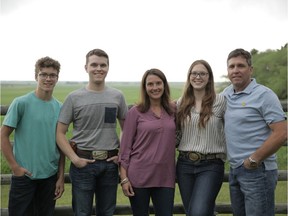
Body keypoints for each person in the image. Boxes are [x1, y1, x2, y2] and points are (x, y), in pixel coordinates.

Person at [56, 48, 128, 216]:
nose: (99, 68)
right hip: (83, 164)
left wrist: (121, 155)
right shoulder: (74, 98)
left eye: (103, 65)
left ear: (108, 68)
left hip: (110, 165)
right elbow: (59, 133)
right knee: (82, 213)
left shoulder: (117, 96)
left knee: (107, 213)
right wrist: (74, 159)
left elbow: (126, 130)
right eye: (94, 64)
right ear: (86, 67)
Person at [222, 48, 287, 216]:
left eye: (240, 66)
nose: (235, 70)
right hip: (236, 169)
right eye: (231, 66)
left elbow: (281, 133)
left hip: (258, 170)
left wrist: (254, 159)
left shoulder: (264, 95)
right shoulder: (226, 94)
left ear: (250, 69)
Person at [0, 56, 65, 216]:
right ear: (36, 76)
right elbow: (3, 135)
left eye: (52, 75)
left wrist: (61, 177)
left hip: (50, 177)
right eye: (43, 74)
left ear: (57, 78)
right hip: (24, 177)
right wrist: (15, 168)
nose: (48, 78)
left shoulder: (60, 108)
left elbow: (62, 144)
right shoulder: (21, 103)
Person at [119, 68, 176, 216]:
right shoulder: (135, 112)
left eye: (158, 83)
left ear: (164, 85)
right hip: (139, 175)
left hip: (165, 176)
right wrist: (124, 178)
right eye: (150, 84)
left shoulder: (173, 110)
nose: (155, 87)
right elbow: (125, 148)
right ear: (145, 87)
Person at [176, 60, 226, 216]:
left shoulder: (221, 102)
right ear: (189, 76)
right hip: (184, 165)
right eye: (194, 73)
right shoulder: (181, 103)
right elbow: (177, 135)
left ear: (209, 78)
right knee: (193, 212)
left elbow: (233, 128)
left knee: (198, 212)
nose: (198, 77)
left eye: (202, 73)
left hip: (211, 165)